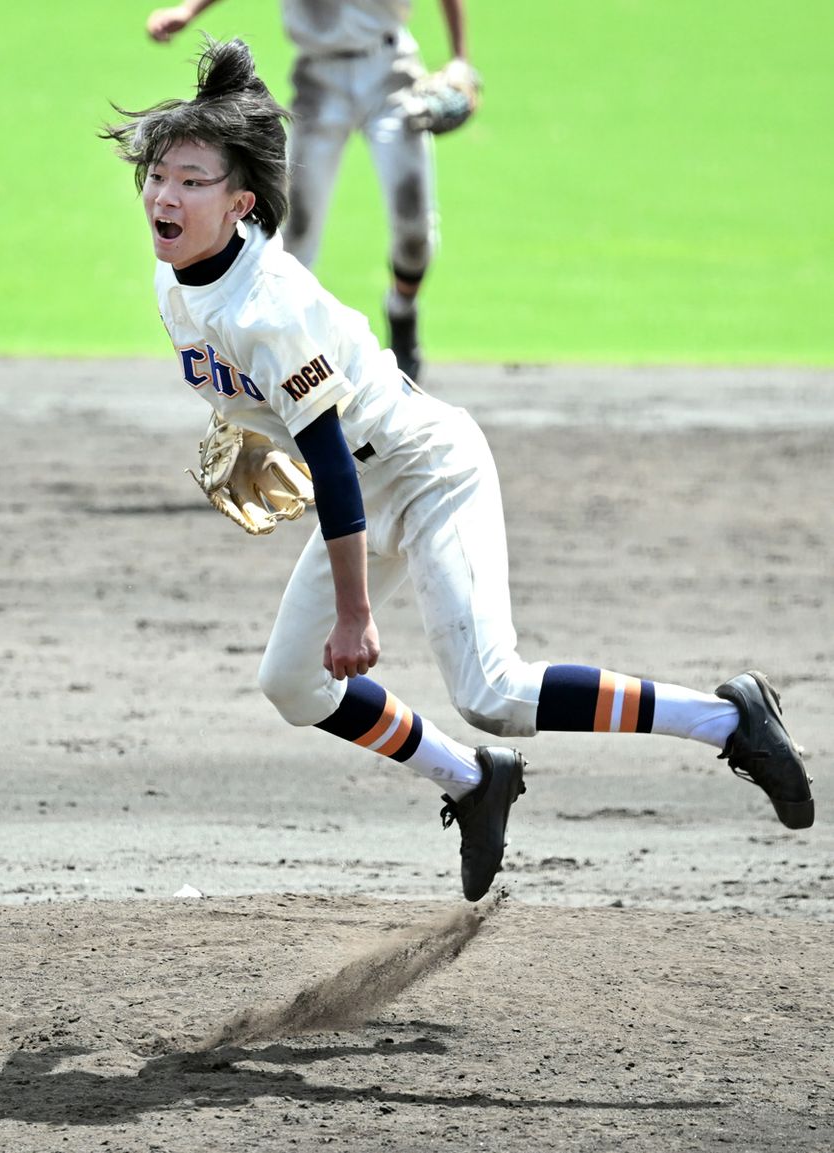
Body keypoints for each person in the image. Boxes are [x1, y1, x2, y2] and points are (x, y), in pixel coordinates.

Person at [101, 38, 814, 903]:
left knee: (494, 688)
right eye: (159, 176)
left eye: (190, 179)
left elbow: (329, 456)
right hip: (367, 484)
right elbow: (274, 409)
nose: (164, 195)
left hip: (429, 470)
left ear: (241, 202)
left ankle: (730, 719)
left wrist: (357, 615)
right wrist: (250, 435)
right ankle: (475, 783)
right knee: (291, 682)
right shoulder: (177, 275)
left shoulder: (269, 306)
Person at [144, 0, 477, 383]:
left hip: (391, 71)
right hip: (319, 79)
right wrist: (188, 11)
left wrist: (459, 59)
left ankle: (402, 310)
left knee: (414, 228)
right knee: (293, 229)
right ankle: (284, 343)